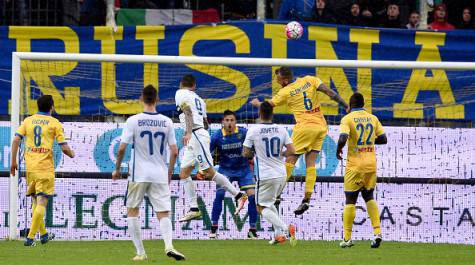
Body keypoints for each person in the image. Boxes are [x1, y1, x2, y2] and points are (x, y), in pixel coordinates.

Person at [251, 67, 348, 215]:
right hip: (321, 126)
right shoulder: (310, 80)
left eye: (278, 80)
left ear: (285, 80)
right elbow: (330, 93)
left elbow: (267, 107)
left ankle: (277, 195)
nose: (277, 83)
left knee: (290, 160)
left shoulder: (285, 91)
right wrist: (345, 105)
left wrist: (257, 103)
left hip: (304, 127)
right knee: (311, 163)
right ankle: (306, 199)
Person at [112, 85, 185, 261]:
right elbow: (174, 151)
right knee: (163, 212)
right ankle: (169, 245)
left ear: (141, 98)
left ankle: (141, 253)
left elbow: (121, 148)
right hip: (160, 174)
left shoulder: (133, 121)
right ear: (157, 100)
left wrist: (117, 169)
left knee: (132, 210)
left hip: (139, 174)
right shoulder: (167, 122)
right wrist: (169, 173)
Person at [175, 74, 247, 222]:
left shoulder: (180, 93)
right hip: (200, 134)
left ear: (181, 84)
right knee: (184, 173)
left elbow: (187, 111)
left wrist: (188, 132)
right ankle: (194, 208)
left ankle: (238, 195)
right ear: (194, 86)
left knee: (209, 172)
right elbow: (206, 123)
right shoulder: (200, 100)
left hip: (195, 134)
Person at [10, 95, 75, 246]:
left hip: (30, 168)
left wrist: (13, 162)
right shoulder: (54, 123)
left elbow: (15, 140)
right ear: (52, 106)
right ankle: (30, 238)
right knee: (42, 202)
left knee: (35, 200)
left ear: (37, 106)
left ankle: (44, 235)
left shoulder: (28, 121)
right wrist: (72, 154)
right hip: (45, 168)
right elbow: (64, 148)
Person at [336, 92, 387, 249]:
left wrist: (338, 150)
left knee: (350, 200)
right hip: (371, 165)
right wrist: (369, 141)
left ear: (350, 106)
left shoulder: (347, 119)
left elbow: (343, 137)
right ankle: (377, 233)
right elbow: (384, 139)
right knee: (369, 197)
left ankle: (347, 238)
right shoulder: (373, 118)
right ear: (364, 104)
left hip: (355, 166)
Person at [242, 101, 297, 246]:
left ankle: (286, 229)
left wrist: (255, 153)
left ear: (259, 114)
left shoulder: (253, 130)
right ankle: (278, 235)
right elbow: (292, 151)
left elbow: (245, 153)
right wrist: (280, 154)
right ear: (272, 114)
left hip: (265, 175)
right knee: (270, 202)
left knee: (260, 207)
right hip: (281, 174)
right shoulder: (281, 129)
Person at [209, 110, 258, 239]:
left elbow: (254, 148)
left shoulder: (243, 133)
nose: (229, 123)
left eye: (232, 120)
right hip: (225, 170)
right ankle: (213, 228)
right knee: (219, 195)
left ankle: (252, 230)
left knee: (253, 197)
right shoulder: (216, 136)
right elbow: (207, 154)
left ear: (235, 122)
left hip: (244, 170)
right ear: (222, 122)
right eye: (227, 120)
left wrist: (251, 155)